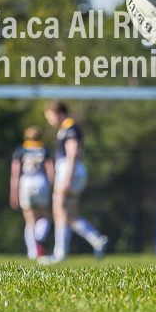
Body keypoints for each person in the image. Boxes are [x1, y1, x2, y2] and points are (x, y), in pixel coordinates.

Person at [41, 101, 108, 262]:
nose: (50, 121)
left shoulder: (70, 129)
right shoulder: (66, 129)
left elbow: (73, 153)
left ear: (58, 113)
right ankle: (96, 239)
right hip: (71, 171)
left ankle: (60, 253)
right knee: (69, 216)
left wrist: (67, 178)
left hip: (68, 171)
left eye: (50, 117)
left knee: (59, 212)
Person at [10, 125, 54, 260]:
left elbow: (15, 173)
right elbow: (50, 170)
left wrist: (13, 192)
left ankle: (32, 251)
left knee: (29, 220)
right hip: (41, 182)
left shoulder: (21, 150)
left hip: (26, 182)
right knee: (45, 216)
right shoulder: (44, 149)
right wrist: (53, 187)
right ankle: (40, 236)